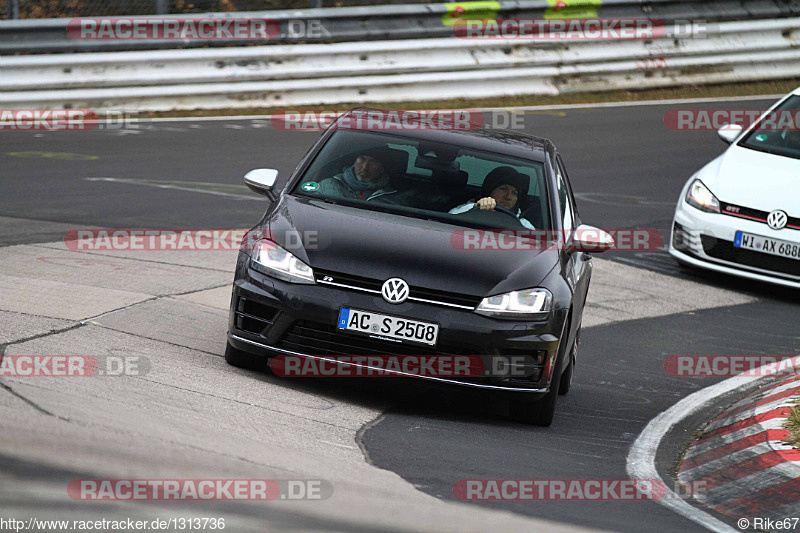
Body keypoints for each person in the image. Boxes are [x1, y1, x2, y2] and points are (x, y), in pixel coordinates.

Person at [449, 166, 535, 229]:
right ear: (490, 190)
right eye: (503, 189)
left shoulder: (524, 225)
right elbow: (447, 226)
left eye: (514, 193)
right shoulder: (466, 209)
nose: (508, 197)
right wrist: (476, 210)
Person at [316, 147, 403, 203]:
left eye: (372, 162)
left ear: (381, 169)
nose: (365, 167)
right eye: (362, 159)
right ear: (354, 162)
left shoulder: (392, 197)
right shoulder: (328, 185)